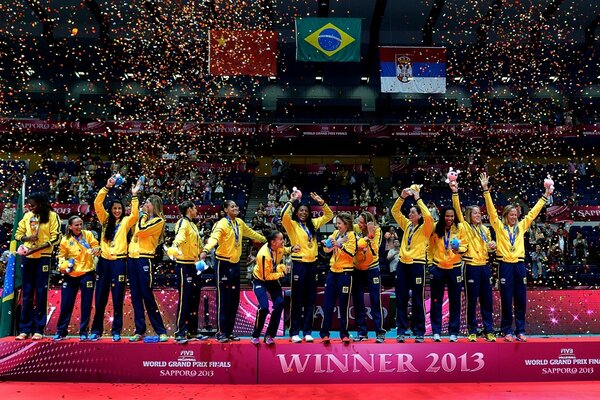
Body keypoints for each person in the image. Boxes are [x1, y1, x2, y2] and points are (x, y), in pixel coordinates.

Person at [481, 172, 551, 342]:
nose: (514, 217)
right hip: (504, 265)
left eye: (515, 215)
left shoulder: (521, 226)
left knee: (520, 298)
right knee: (506, 298)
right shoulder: (498, 227)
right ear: (505, 215)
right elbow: (491, 211)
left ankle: (520, 329)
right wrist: (486, 190)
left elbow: (533, 213)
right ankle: (507, 330)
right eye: (511, 215)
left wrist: (545, 195)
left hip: (519, 264)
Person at [200, 200, 266, 343]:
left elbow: (251, 233)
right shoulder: (221, 224)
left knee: (234, 300)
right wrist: (206, 250)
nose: (235, 208)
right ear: (225, 209)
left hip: (235, 265)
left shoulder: (240, 223)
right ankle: (221, 332)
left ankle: (230, 332)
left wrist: (265, 239)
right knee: (223, 299)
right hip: (223, 264)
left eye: (236, 206)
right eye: (232, 206)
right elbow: (214, 238)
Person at [89, 177, 141, 342]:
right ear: (110, 209)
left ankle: (116, 330)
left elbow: (135, 214)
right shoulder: (104, 220)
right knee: (100, 297)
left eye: (119, 208)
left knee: (118, 297)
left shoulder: (126, 222)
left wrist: (134, 196)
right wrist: (106, 187)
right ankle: (96, 330)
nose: (117, 211)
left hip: (119, 263)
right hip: (104, 263)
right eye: (115, 208)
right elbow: (97, 203)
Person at [280, 191, 333, 343]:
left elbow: (329, 215)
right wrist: (291, 201)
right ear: (296, 212)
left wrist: (320, 201)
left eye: (306, 211)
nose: (303, 213)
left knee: (310, 299)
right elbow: (283, 215)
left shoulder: (313, 224)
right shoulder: (292, 225)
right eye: (301, 210)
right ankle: (294, 332)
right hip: (299, 265)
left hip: (312, 266)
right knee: (297, 299)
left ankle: (307, 331)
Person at [451, 180, 497, 342]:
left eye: (479, 213)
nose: (478, 215)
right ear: (469, 215)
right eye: (475, 213)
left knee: (487, 300)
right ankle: (472, 329)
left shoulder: (486, 230)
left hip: (484, 267)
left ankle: (489, 330)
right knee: (472, 300)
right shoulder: (464, 227)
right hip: (470, 266)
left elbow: (490, 248)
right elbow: (457, 210)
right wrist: (455, 192)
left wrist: (493, 245)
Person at [14, 192, 62, 340]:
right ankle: (24, 329)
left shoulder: (53, 216)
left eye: (32, 205)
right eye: (29, 204)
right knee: (27, 293)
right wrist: (28, 238)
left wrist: (37, 248)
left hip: (43, 257)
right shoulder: (28, 216)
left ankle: (39, 329)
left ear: (41, 204)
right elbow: (17, 234)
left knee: (41, 293)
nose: (30, 207)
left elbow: (56, 237)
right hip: (28, 257)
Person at [391, 186, 434, 343]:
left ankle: (419, 331)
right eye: (409, 213)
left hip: (418, 265)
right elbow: (394, 212)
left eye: (413, 213)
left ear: (419, 215)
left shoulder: (426, 228)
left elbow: (429, 216)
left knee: (417, 299)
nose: (409, 215)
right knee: (401, 298)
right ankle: (401, 330)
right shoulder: (407, 225)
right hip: (403, 264)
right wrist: (401, 197)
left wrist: (417, 198)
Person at [128, 195, 168, 342]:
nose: (145, 205)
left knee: (147, 296)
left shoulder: (159, 220)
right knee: (136, 297)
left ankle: (161, 330)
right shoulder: (142, 218)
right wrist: (134, 198)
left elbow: (140, 231)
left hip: (144, 258)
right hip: (132, 258)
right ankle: (139, 330)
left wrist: (143, 215)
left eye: (147, 203)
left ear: (154, 206)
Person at [53, 216, 100, 341]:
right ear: (70, 226)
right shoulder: (65, 240)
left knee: (86, 304)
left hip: (87, 274)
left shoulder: (88, 235)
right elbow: (61, 257)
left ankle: (83, 332)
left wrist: (96, 249)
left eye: (81, 224)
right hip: (71, 275)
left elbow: (97, 246)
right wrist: (63, 267)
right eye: (76, 225)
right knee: (66, 304)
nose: (79, 227)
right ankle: (61, 331)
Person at [250, 231, 298, 345]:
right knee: (264, 308)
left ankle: (270, 335)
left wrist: (292, 249)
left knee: (280, 303)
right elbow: (266, 277)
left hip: (272, 278)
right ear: (273, 242)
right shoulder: (263, 255)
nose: (283, 241)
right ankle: (255, 335)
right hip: (260, 280)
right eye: (281, 239)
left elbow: (284, 250)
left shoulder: (278, 248)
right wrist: (282, 273)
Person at [428, 206, 467, 342]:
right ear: (442, 216)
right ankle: (436, 331)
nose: (449, 218)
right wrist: (430, 264)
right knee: (436, 300)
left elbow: (465, 246)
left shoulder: (460, 228)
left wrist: (458, 250)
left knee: (455, 301)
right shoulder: (435, 228)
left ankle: (453, 332)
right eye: (447, 216)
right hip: (438, 267)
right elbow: (430, 246)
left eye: (451, 216)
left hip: (455, 268)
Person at [170, 200, 204, 344]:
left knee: (194, 299)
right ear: (189, 209)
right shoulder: (182, 222)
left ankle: (192, 331)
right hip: (183, 266)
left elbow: (198, 244)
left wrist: (203, 251)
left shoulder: (193, 225)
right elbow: (181, 236)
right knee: (185, 299)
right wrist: (174, 245)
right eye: (195, 208)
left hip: (194, 266)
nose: (196, 210)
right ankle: (180, 332)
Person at [320, 212, 357, 343]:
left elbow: (352, 252)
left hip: (345, 274)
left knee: (344, 305)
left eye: (339, 223)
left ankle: (344, 334)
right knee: (328, 304)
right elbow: (327, 250)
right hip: (332, 273)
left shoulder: (352, 236)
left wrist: (340, 244)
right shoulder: (335, 234)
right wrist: (326, 244)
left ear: (346, 224)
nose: (337, 225)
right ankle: (324, 333)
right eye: (336, 223)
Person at [352, 211, 386, 343]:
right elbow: (354, 244)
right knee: (358, 301)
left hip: (372, 268)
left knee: (375, 300)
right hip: (357, 269)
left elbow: (376, 249)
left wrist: (370, 237)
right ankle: (362, 333)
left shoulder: (377, 230)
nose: (358, 224)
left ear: (368, 223)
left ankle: (379, 332)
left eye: (361, 222)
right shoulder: (355, 228)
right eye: (358, 222)